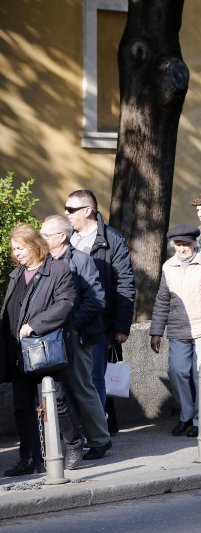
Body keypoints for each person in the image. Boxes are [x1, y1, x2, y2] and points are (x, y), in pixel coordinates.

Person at [0, 224, 83, 475]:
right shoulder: (16, 274)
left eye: (20, 248)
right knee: (22, 408)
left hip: (44, 348)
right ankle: (30, 459)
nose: (17, 254)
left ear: (35, 244)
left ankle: (74, 443)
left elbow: (66, 304)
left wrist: (35, 325)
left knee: (55, 401)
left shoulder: (58, 270)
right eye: (14, 249)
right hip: (18, 353)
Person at [149, 224, 201, 438]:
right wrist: (156, 331)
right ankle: (186, 415)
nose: (182, 248)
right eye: (178, 244)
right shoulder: (168, 267)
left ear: (195, 243)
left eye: (186, 244)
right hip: (178, 329)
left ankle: (199, 420)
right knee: (177, 371)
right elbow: (162, 300)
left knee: (200, 375)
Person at [41, 215, 112, 461]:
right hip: (50, 337)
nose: (42, 238)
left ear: (62, 236)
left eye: (46, 235)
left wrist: (71, 326)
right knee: (59, 391)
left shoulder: (81, 260)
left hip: (75, 335)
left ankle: (100, 440)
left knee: (83, 387)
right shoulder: (45, 261)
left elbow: (96, 299)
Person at [65, 189, 135, 434]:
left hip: (100, 322)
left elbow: (124, 282)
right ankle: (89, 429)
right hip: (71, 321)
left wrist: (121, 326)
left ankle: (96, 433)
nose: (66, 214)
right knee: (76, 380)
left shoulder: (111, 239)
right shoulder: (67, 239)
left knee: (95, 379)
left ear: (87, 211)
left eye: (71, 209)